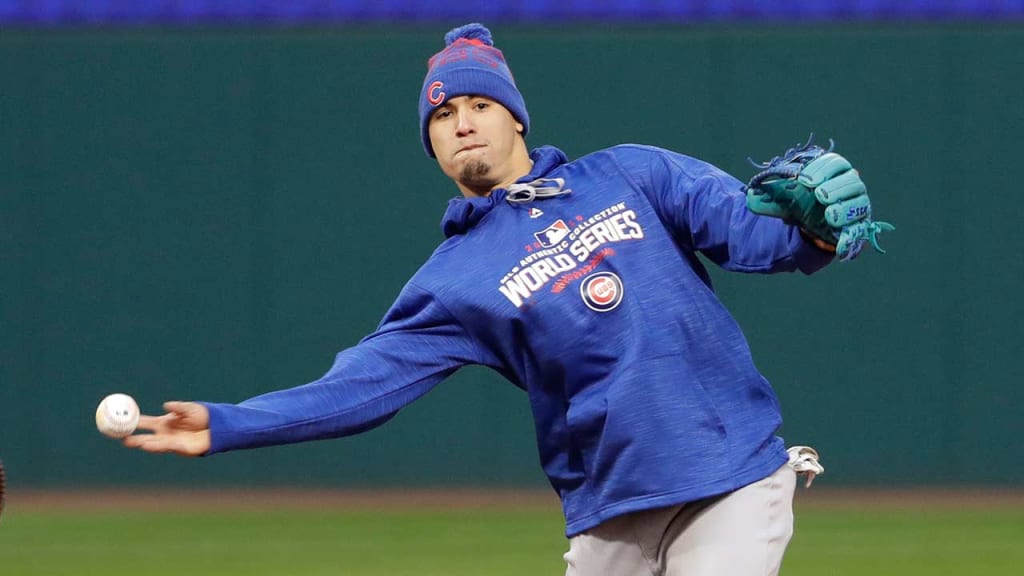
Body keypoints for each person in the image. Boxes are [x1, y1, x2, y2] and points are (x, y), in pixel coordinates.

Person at [123, 23, 890, 576]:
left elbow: (753, 238)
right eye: (442, 116)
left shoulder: (631, 174)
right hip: (610, 514)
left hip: (729, 476)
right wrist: (228, 424)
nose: (461, 122)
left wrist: (814, 234)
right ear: (432, 146)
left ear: (513, 115)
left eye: (477, 106)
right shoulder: (452, 279)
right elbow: (358, 388)